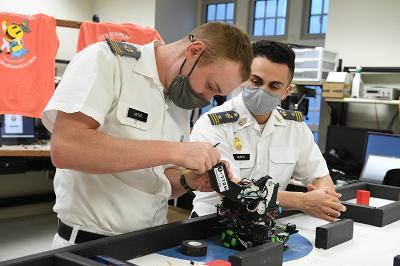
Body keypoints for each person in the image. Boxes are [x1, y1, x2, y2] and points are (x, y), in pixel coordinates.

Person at [41, 22, 253, 247]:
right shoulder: (107, 61)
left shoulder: (179, 99)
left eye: (216, 95)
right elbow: (66, 148)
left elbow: (158, 181)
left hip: (150, 244)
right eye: (210, 86)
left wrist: (189, 180)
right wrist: (174, 151)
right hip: (88, 244)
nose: (206, 99)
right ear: (194, 51)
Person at [190, 40, 346, 222]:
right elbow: (230, 189)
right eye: (256, 81)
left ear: (286, 92)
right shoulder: (213, 124)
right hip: (213, 225)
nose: (262, 90)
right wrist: (301, 201)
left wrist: (324, 198)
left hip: (267, 227)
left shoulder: (294, 127)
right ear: (243, 77)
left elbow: (319, 176)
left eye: (274, 86)